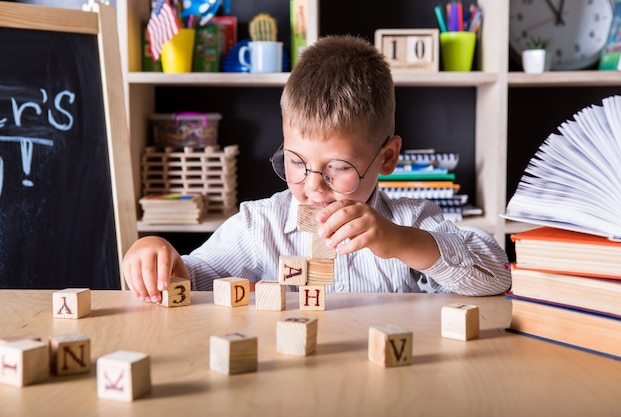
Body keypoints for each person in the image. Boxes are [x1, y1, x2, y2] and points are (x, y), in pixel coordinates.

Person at [123, 34, 511, 303]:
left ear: (387, 158)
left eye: (337, 168)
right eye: (295, 162)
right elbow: (195, 277)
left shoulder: (411, 220)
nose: (312, 187)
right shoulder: (261, 226)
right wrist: (157, 257)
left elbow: (497, 276)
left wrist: (401, 242)